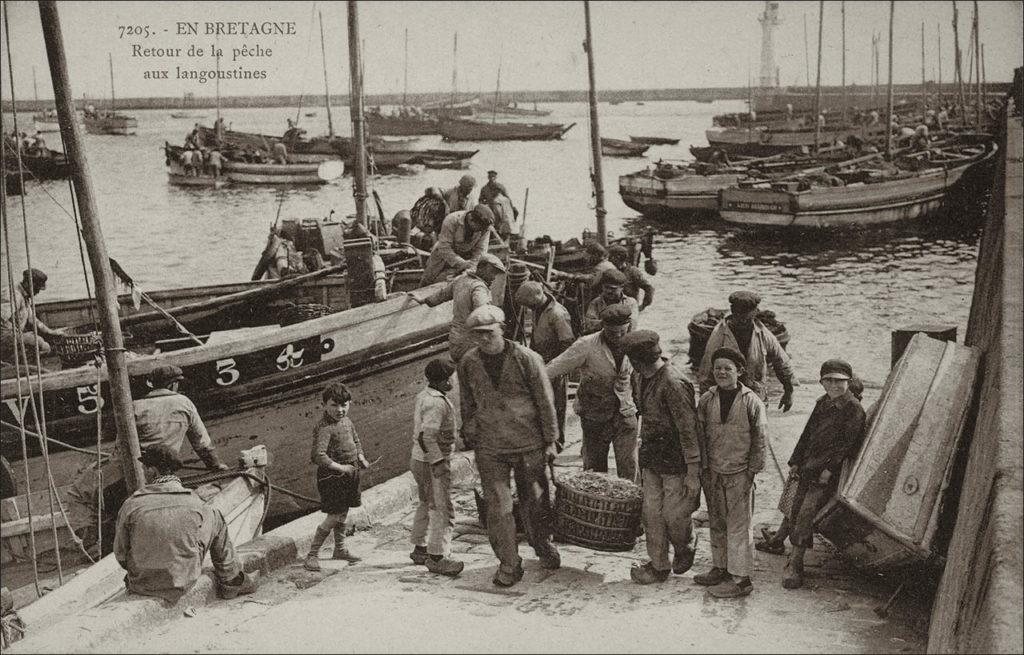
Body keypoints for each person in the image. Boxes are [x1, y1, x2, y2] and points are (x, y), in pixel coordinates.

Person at [458, 305, 561, 587]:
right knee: (498, 506)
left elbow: (545, 400)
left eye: (488, 333)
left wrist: (551, 440)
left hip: (528, 442)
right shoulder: (468, 362)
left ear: (502, 329)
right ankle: (509, 563)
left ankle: (542, 545)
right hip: (490, 445)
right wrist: (468, 430)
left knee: (535, 500)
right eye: (476, 335)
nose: (482, 340)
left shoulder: (527, 359)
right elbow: (467, 400)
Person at [113, 444, 258, 602]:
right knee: (216, 517)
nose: (143, 472)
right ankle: (232, 580)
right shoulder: (195, 502)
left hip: (141, 584)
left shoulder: (131, 505)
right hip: (184, 580)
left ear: (152, 471)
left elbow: (120, 554)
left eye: (144, 468)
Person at [779, 360, 866, 589]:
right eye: (829, 380)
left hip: (828, 473)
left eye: (839, 381)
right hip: (809, 466)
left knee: (806, 513)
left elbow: (846, 445)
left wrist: (829, 470)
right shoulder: (823, 403)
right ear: (822, 382)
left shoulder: (853, 409)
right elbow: (807, 434)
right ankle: (785, 547)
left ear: (848, 382)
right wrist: (796, 460)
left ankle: (796, 563)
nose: (834, 385)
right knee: (796, 507)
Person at [622, 330, 701, 585]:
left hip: (676, 459)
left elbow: (689, 431)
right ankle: (658, 565)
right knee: (651, 514)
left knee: (674, 515)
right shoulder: (640, 376)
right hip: (652, 457)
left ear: (637, 360)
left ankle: (685, 545)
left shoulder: (674, 384)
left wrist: (693, 472)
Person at [694, 347, 767, 599]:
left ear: (740, 371)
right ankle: (721, 567)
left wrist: (751, 472)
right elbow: (700, 436)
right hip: (713, 471)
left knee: (739, 526)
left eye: (728, 368)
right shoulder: (706, 399)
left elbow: (760, 440)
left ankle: (741, 579)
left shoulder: (751, 401)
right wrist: (702, 468)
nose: (722, 372)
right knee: (717, 521)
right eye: (718, 368)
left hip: (740, 473)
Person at [547, 304, 638, 481]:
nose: (618, 337)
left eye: (623, 332)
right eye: (613, 333)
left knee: (630, 467)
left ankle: (630, 506)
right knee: (594, 472)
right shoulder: (586, 345)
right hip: (594, 414)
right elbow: (552, 369)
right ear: (603, 327)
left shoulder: (636, 342)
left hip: (625, 412)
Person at [304, 382, 371, 571]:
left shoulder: (347, 422)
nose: (340, 410)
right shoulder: (324, 427)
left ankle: (340, 549)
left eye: (344, 405)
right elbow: (318, 455)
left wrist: (361, 457)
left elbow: (356, 440)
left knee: (343, 512)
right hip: (332, 478)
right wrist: (340, 467)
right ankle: (312, 555)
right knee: (334, 516)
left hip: (351, 474)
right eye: (334, 405)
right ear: (324, 405)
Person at [698, 290, 795, 411]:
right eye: (739, 319)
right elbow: (705, 373)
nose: (743, 323)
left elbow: (782, 362)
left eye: (747, 319)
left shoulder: (763, 334)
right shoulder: (718, 335)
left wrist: (788, 391)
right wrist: (705, 405)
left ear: (755, 313)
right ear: (733, 312)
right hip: (726, 399)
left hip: (756, 396)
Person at [409, 359, 463, 577]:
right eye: (451, 377)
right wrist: (439, 463)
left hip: (418, 460)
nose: (454, 380)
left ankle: (420, 548)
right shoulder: (438, 403)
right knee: (442, 509)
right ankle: (438, 556)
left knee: (425, 503)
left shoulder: (424, 396)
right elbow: (427, 437)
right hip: (432, 461)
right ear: (444, 381)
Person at [515, 281, 575, 450]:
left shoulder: (557, 314)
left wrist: (560, 368)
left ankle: (557, 442)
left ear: (537, 297)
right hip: (541, 362)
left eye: (528, 304)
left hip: (556, 363)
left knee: (557, 404)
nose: (527, 308)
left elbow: (567, 343)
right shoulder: (537, 309)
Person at [420, 253, 506, 363]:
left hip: (455, 340)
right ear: (481, 268)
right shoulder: (478, 288)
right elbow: (483, 315)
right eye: (492, 272)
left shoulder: (460, 280)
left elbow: (439, 296)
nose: (494, 277)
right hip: (471, 344)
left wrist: (423, 300)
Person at [419, 204, 495, 286]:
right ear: (472, 220)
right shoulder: (452, 220)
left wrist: (472, 266)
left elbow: (480, 251)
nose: (481, 231)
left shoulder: (485, 228)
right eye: (479, 228)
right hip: (442, 254)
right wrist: (462, 263)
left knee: (456, 283)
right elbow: (444, 247)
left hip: (466, 256)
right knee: (427, 280)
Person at [1, 268, 62, 363]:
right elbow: (2, 318)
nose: (37, 293)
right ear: (30, 284)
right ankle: (13, 364)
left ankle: (17, 362)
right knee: (42, 344)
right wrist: (14, 334)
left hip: (14, 336)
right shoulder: (14, 295)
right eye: (37, 288)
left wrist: (51, 332)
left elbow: (33, 320)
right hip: (5, 338)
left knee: (44, 343)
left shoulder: (24, 296)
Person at [583, 268, 639, 334]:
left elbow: (632, 326)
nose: (609, 291)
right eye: (606, 287)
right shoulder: (596, 302)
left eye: (613, 289)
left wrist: (603, 323)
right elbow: (589, 324)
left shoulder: (630, 302)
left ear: (622, 288)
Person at [607, 245, 654, 312]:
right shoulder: (610, 270)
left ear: (617, 257)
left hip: (629, 309)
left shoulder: (633, 271)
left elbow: (649, 288)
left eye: (610, 257)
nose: (608, 259)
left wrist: (643, 306)